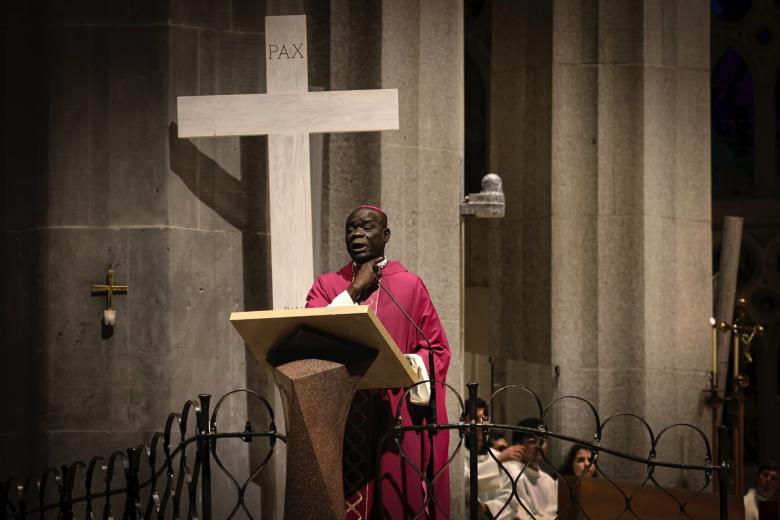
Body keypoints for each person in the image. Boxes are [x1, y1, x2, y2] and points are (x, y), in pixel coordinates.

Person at [306, 205, 451, 519]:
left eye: (366, 227)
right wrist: (355, 289)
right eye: (351, 228)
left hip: (393, 415)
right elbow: (312, 334)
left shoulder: (410, 286)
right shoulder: (327, 285)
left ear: (385, 235)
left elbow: (437, 350)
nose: (357, 233)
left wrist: (406, 363)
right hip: (343, 415)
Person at [463, 399, 525, 520]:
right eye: (474, 419)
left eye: (484, 418)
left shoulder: (501, 457)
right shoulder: (457, 459)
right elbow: (462, 483)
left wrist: (487, 507)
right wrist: (497, 461)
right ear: (464, 422)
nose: (480, 424)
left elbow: (513, 497)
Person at [504, 418, 558, 520]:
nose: (538, 446)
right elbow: (519, 515)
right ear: (517, 444)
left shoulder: (549, 480)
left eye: (542, 441)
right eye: (532, 441)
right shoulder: (512, 472)